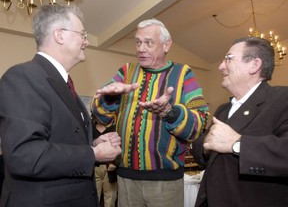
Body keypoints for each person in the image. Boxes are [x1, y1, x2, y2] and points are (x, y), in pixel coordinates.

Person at [0, 5, 121, 207]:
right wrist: (93, 154)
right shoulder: (22, 77)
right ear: (60, 35)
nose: (87, 41)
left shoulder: (63, 83)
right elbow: (25, 155)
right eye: (82, 34)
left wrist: (94, 144)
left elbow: (59, 139)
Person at [91, 18, 209, 207]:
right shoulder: (126, 72)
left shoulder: (183, 73)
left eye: (148, 42)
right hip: (125, 179)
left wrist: (170, 112)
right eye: (138, 42)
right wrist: (110, 98)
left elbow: (199, 124)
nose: (141, 48)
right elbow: (100, 115)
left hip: (166, 182)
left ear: (166, 45)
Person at [192, 36, 288, 207]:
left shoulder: (282, 99)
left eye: (228, 59)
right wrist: (206, 143)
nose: (221, 66)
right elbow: (200, 149)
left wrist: (237, 144)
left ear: (254, 65)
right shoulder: (223, 109)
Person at [92, 115, 118, 207]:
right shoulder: (90, 127)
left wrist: (114, 162)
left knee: (110, 199)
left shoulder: (115, 127)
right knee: (93, 199)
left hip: (110, 170)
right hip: (93, 169)